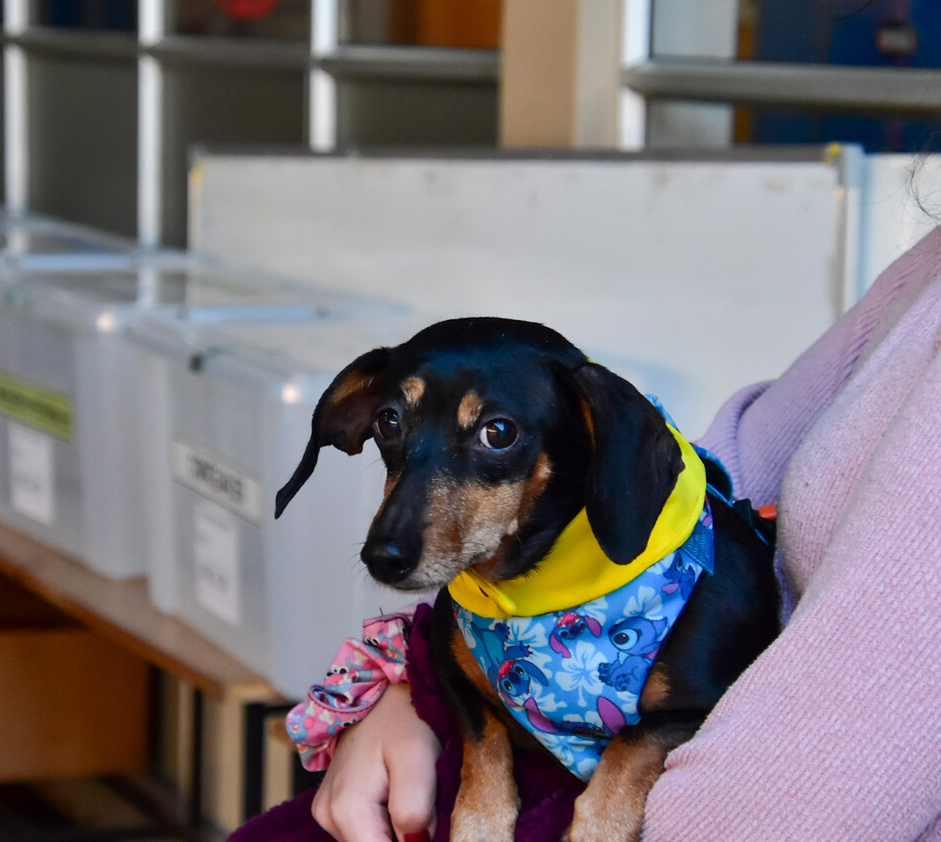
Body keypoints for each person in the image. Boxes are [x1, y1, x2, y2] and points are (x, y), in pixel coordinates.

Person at [231, 224, 941, 842]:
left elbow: (745, 816)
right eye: (392, 423)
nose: (400, 530)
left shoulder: (682, 607)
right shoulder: (922, 276)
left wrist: (616, 776)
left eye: (496, 434)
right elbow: (733, 466)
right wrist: (410, 700)